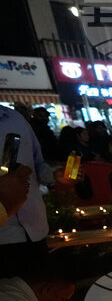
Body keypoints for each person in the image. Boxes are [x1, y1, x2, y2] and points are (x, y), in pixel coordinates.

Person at [0, 105, 53, 278]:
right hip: (4, 237)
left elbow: (38, 164)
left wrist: (55, 175)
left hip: (36, 230)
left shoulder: (15, 119)